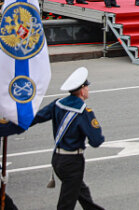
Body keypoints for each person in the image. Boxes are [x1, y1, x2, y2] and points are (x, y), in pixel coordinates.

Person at [32, 67, 105, 210]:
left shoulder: (57, 103)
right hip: (72, 163)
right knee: (66, 203)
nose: (88, 90)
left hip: (57, 160)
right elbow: (96, 141)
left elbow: (37, 117)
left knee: (82, 194)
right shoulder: (84, 112)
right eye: (87, 87)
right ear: (82, 90)